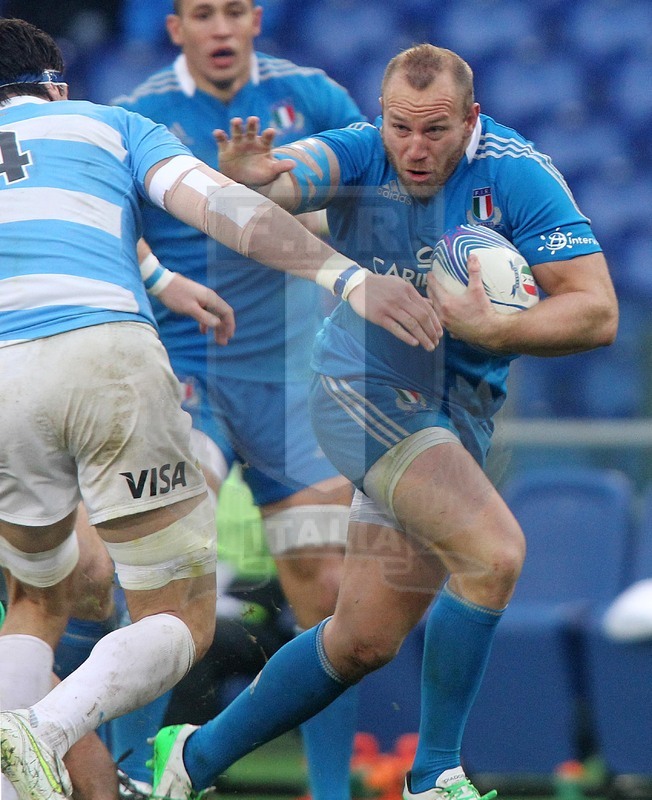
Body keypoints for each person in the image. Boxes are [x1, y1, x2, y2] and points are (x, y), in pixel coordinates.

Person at [146, 43, 619, 800]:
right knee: (494, 553)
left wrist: (495, 332)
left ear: (472, 119)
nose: (415, 148)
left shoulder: (518, 175)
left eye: (435, 130)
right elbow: (282, 176)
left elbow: (596, 311)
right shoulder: (362, 151)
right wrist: (248, 177)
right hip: (360, 391)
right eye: (401, 126)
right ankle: (436, 777)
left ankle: (190, 760)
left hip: (457, 412)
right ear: (383, 116)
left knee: (360, 640)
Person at [0, 18, 439, 800]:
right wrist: (348, 279)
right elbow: (220, 207)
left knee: (38, 595)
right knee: (173, 604)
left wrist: (166, 282)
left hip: (40, 376)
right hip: (128, 361)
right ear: (56, 87)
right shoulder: (118, 118)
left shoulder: (307, 92)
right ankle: (77, 746)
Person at [112, 0, 368, 795]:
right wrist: (160, 278)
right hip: (191, 378)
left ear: (255, 20)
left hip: (293, 386)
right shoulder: (137, 115)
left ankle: (328, 788)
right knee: (168, 574)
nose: (219, 28)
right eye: (201, 13)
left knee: (327, 592)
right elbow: (110, 225)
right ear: (176, 28)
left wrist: (290, 192)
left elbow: (374, 194)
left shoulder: (314, 97)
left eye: (232, 11)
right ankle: (124, 772)